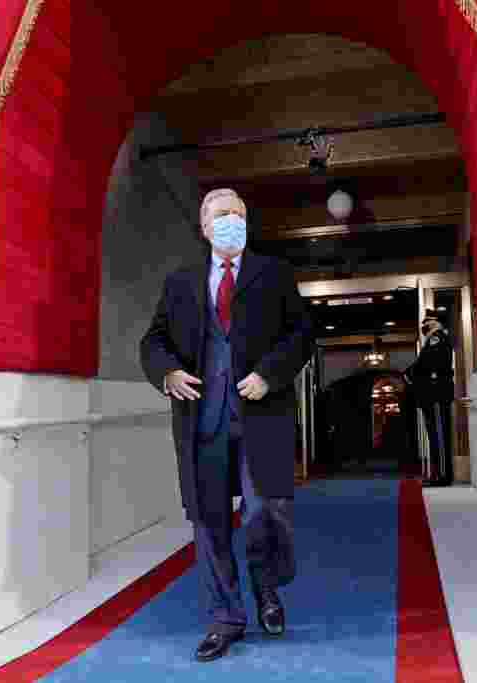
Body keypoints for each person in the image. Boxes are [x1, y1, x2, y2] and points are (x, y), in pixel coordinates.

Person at [140, 188, 315, 662]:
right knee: (209, 522)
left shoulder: (274, 273)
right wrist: (168, 373)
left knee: (264, 510)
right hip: (203, 421)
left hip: (261, 415)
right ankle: (225, 617)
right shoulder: (181, 282)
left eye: (238, 213)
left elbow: (302, 334)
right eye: (221, 214)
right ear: (204, 227)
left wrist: (269, 374)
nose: (231, 219)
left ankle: (266, 587)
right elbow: (154, 340)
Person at [404, 310, 455, 486]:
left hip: (436, 394)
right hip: (432, 395)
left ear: (436, 323)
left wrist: (409, 374)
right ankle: (438, 473)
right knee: (434, 435)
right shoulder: (432, 340)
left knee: (439, 436)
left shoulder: (437, 338)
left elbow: (427, 364)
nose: (425, 326)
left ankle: (442, 475)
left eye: (428, 322)